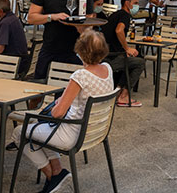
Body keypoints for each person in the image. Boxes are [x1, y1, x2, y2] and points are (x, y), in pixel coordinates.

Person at [11, 29, 114, 193]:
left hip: (73, 133)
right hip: (95, 131)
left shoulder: (81, 75)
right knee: (39, 129)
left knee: (19, 132)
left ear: (80, 51)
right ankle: (58, 171)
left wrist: (59, 104)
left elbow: (57, 113)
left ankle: (52, 176)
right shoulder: (107, 69)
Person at [28, 0, 94, 80]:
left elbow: (88, 24)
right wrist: (51, 17)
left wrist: (78, 25)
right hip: (49, 47)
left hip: (73, 51)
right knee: (38, 89)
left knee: (67, 93)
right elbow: (31, 18)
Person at [100, 0, 145, 107]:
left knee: (131, 59)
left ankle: (118, 91)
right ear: (127, 3)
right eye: (135, 3)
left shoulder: (115, 14)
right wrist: (127, 48)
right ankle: (123, 96)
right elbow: (119, 30)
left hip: (105, 54)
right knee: (140, 63)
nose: (137, 6)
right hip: (112, 57)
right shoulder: (125, 15)